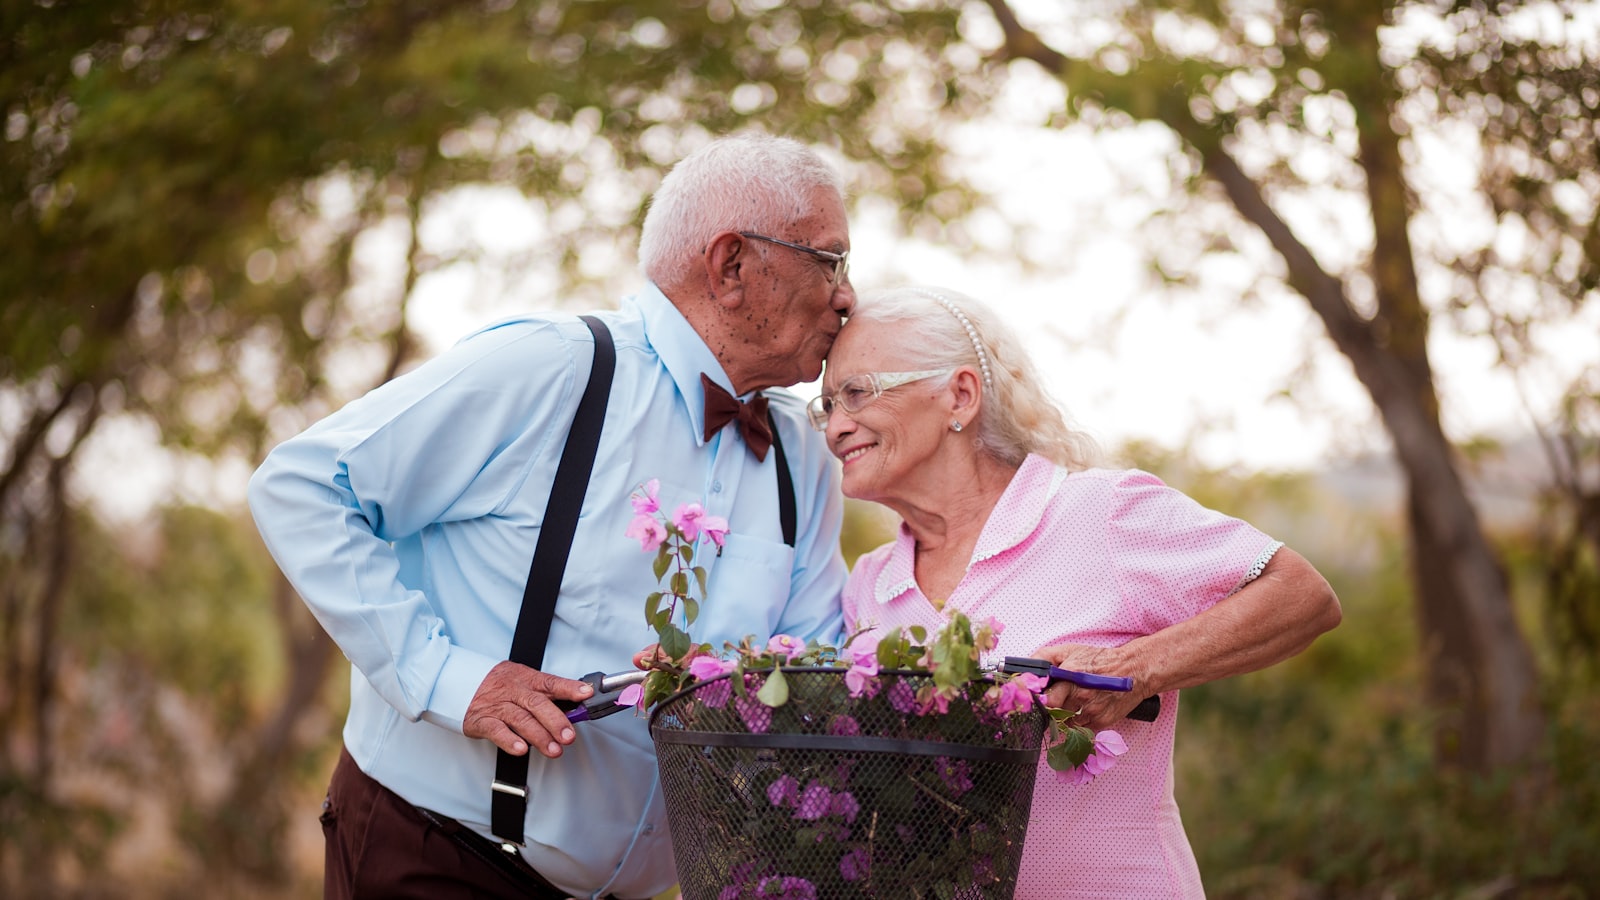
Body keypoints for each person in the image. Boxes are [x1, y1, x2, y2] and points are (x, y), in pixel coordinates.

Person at [247, 132, 856, 900]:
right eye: (830, 260)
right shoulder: (556, 370)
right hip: (437, 854)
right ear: (730, 265)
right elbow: (303, 484)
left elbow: (818, 670)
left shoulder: (803, 455)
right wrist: (446, 679)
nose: (847, 295)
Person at [819, 285, 1342, 899]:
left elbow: (1302, 595)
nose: (835, 427)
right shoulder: (869, 584)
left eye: (856, 393)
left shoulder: (1097, 514)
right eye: (825, 406)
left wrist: (1134, 668)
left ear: (959, 395)